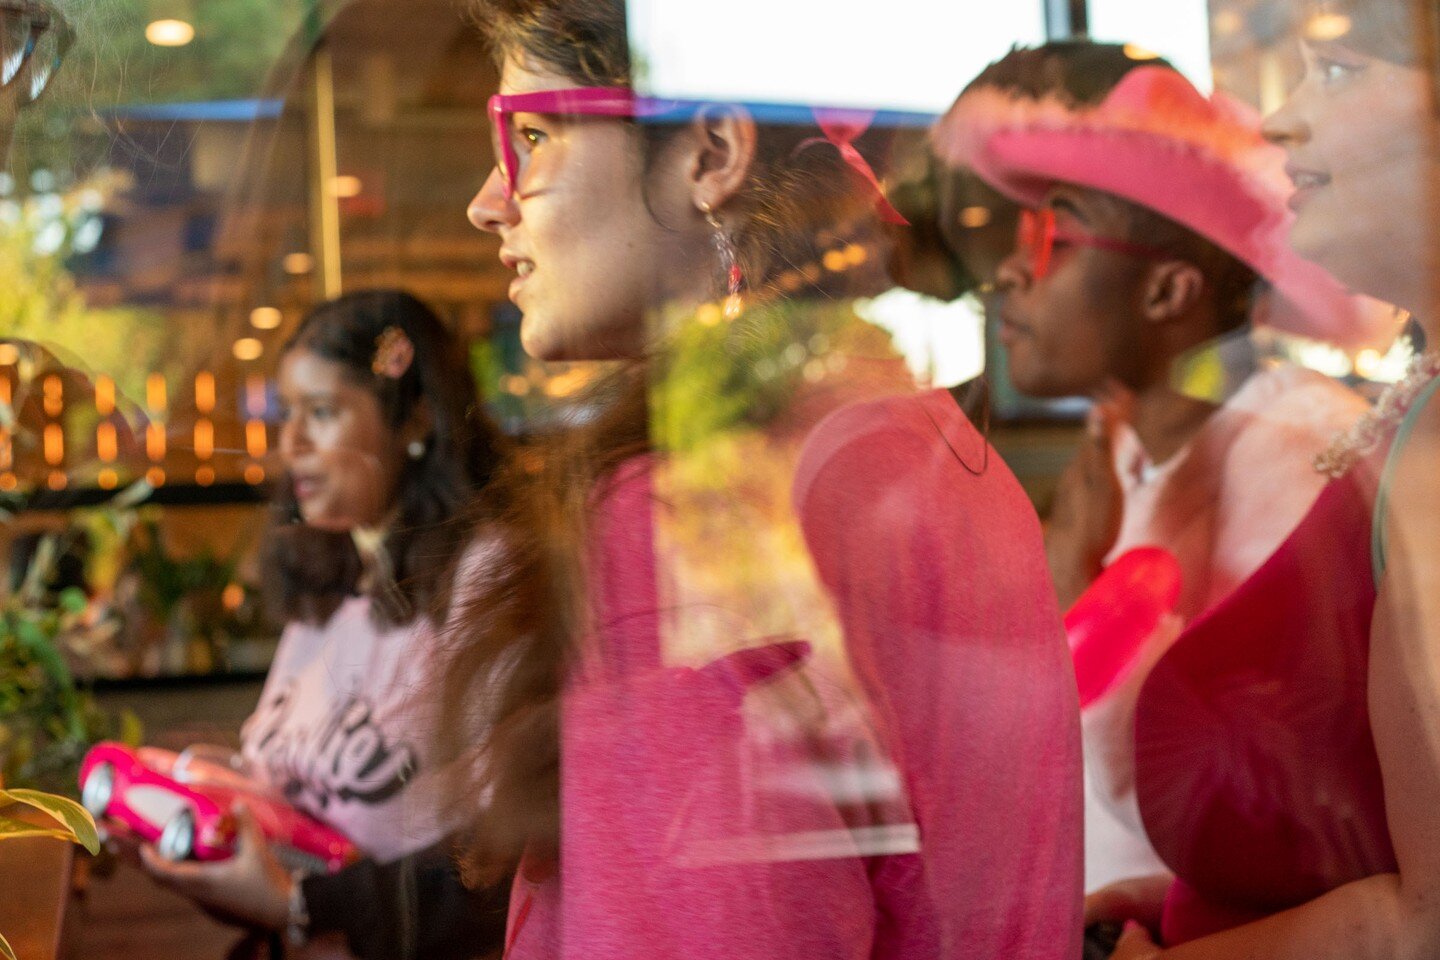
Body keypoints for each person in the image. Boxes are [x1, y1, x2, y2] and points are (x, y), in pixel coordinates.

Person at [447, 0, 1082, 956]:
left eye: (533, 135)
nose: (491, 198)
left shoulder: (691, 511)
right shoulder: (936, 446)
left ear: (710, 153)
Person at [933, 45, 1374, 897]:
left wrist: (1071, 592)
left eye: (1051, 233)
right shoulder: (1128, 451)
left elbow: (1261, 819)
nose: (1011, 272)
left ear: (1169, 293)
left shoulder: (1297, 459)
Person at [1078, 1, 1440, 956]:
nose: (1279, 121)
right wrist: (1197, 895)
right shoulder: (1419, 402)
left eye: (1337, 72)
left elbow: (1427, 923)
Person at [139, 290, 509, 960]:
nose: (291, 444)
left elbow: (499, 860)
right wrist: (187, 787)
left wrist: (300, 906)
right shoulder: (340, 576)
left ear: (415, 419)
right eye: (288, 414)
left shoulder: (485, 579)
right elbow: (297, 785)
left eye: (323, 412)